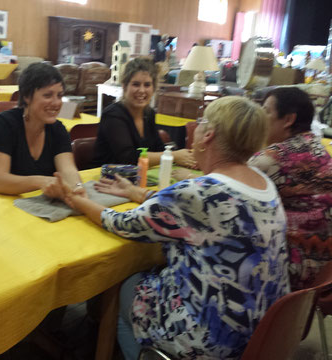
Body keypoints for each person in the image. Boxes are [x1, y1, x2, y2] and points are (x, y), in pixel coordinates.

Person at [53, 96, 290, 359]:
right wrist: (138, 192)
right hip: (263, 333)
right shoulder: (263, 184)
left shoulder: (198, 191)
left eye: (201, 123)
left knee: (126, 285)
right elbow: (187, 210)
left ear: (208, 134)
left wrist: (79, 201)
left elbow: (120, 222)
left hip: (213, 340)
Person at [249, 87, 332, 290]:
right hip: (326, 266)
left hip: (291, 268)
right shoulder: (319, 148)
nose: (260, 117)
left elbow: (226, 194)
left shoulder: (270, 160)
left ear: (288, 120)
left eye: (266, 111)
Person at [0, 62, 84, 197]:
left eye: (59, 95)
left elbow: (68, 170)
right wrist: (41, 181)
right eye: (48, 95)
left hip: (37, 205)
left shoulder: (58, 129)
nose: (56, 103)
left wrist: (77, 188)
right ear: (27, 97)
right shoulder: (2, 125)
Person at [92, 57, 197, 168]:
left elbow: (158, 148)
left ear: (153, 88)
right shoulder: (113, 115)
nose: (142, 90)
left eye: (147, 85)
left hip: (137, 177)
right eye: (136, 84)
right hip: (106, 180)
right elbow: (128, 158)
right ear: (124, 86)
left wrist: (186, 158)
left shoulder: (149, 113)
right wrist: (173, 156)